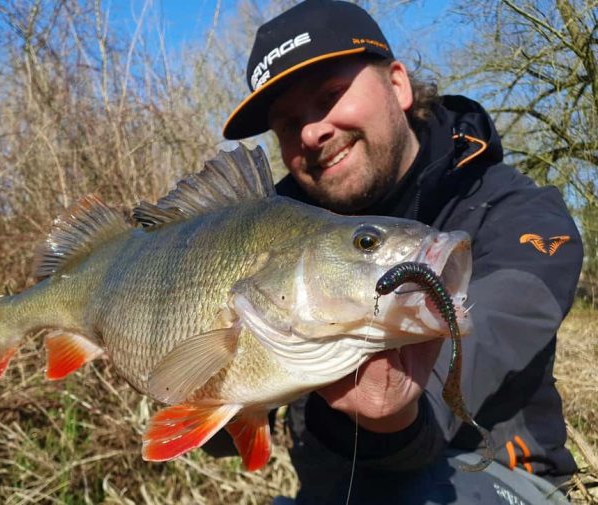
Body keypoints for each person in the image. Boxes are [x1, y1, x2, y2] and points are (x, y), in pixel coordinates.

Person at [218, 1, 585, 504]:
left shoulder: (518, 211)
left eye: (330, 96)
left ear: (397, 84)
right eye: (287, 124)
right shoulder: (273, 240)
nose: (311, 131)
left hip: (493, 479)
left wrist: (392, 415)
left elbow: (490, 331)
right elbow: (218, 433)